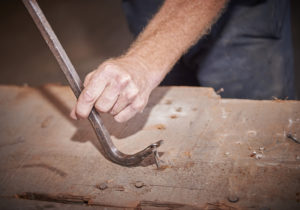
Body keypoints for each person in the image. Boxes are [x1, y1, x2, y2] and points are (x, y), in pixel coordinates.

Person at [70, 0, 294, 123]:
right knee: (176, 121)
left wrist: (144, 62)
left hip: (240, 16)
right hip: (149, 9)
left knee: (251, 128)